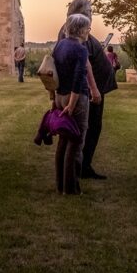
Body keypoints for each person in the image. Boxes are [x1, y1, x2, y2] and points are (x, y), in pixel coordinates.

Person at [58, 0, 108, 181]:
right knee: (87, 129)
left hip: (88, 90)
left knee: (90, 128)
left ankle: (79, 168)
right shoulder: (75, 30)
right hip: (86, 92)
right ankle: (80, 169)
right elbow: (83, 65)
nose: (91, 15)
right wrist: (94, 90)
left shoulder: (73, 30)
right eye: (89, 11)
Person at [51, 13, 92, 195]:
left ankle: (60, 185)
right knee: (75, 143)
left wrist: (53, 98)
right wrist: (73, 103)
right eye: (88, 27)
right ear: (82, 29)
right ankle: (71, 188)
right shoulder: (81, 49)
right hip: (74, 98)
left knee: (63, 141)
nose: (89, 31)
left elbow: (50, 71)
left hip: (60, 95)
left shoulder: (60, 44)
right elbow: (78, 77)